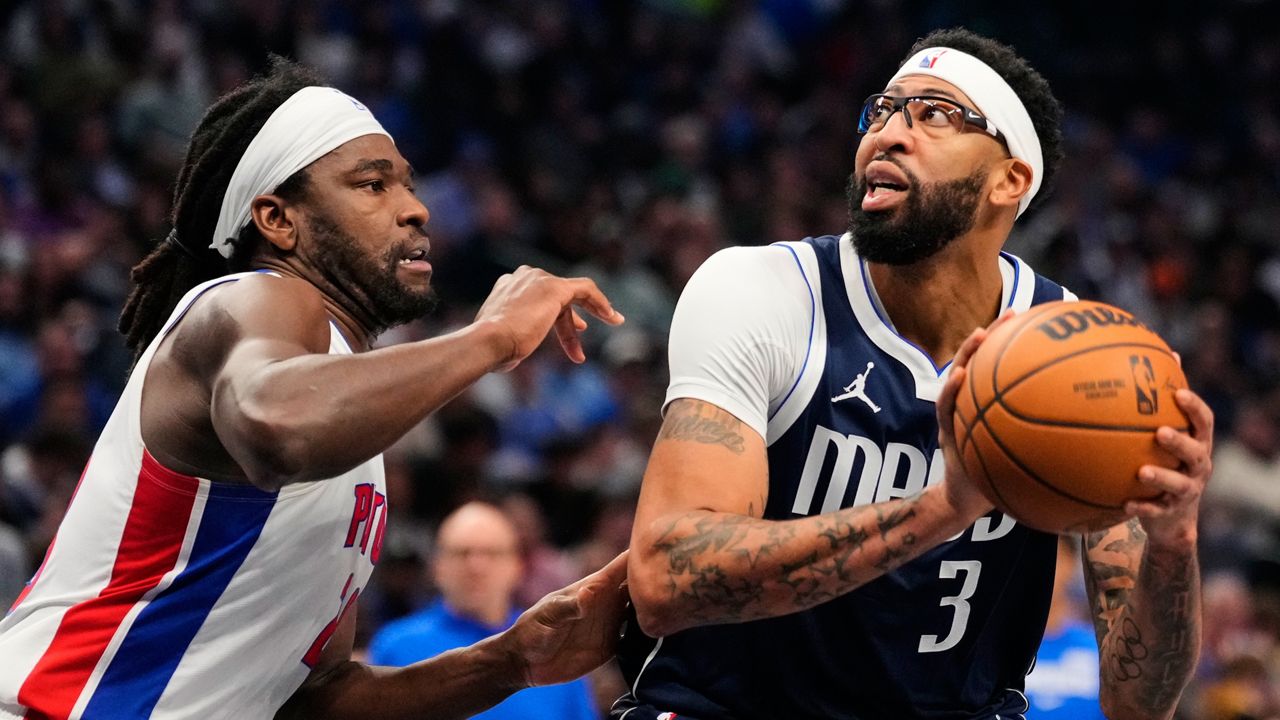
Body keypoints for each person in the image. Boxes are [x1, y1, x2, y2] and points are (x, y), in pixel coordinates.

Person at [0, 58, 628, 720]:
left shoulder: (351, 416)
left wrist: (510, 660)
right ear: (277, 219)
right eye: (372, 185)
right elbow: (274, 424)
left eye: (409, 186)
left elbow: (313, 697)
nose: (415, 209)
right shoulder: (251, 302)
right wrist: (490, 338)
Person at [616, 27, 1213, 720]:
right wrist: (943, 508)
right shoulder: (767, 291)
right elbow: (666, 580)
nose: (888, 134)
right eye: (883, 111)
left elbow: (1139, 704)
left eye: (935, 114)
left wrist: (1174, 544)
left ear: (1009, 180)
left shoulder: (1073, 347)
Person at [369, 502, 597, 720]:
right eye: (462, 553)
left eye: (491, 553)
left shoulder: (552, 649)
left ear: (517, 566)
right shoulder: (395, 646)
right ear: (437, 567)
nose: (476, 567)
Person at [1024, 537, 1107, 719]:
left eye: (1046, 560)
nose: (1035, 572)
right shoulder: (988, 654)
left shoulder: (1103, 654)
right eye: (1026, 561)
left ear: (1070, 563)